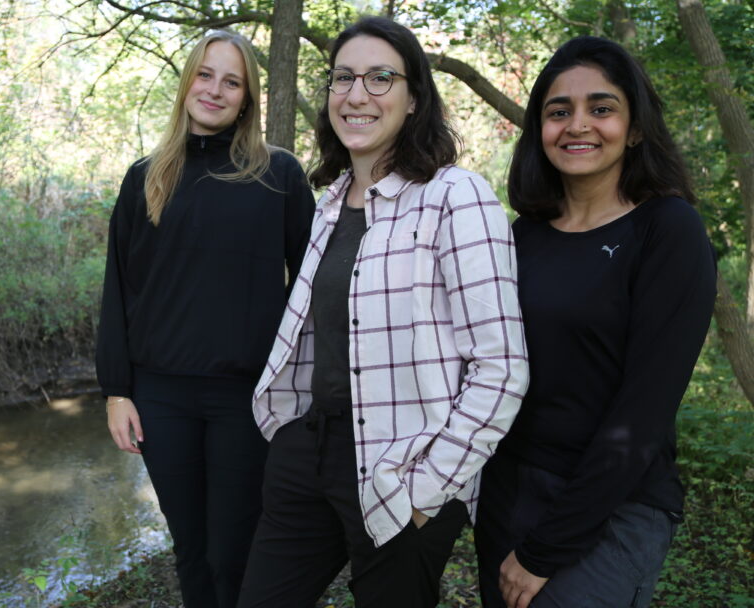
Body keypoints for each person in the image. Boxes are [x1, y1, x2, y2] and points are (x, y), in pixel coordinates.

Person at [237, 17, 528, 608]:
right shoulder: (327, 204)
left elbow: (501, 368)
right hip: (308, 451)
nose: (357, 94)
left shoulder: (456, 195)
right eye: (343, 78)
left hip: (404, 466)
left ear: (413, 96)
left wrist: (430, 489)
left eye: (380, 78)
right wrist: (288, 435)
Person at [474, 36, 716, 608]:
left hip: (610, 509)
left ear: (634, 128)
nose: (577, 125)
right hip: (508, 498)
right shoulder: (521, 237)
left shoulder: (667, 230)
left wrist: (545, 551)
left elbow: (644, 412)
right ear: (540, 130)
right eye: (560, 112)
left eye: (601, 109)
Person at [95, 30, 315, 608]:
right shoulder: (146, 175)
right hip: (160, 398)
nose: (215, 90)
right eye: (205, 74)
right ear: (187, 80)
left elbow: (315, 287)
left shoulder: (278, 176)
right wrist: (116, 390)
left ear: (247, 98)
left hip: (244, 400)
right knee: (190, 549)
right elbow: (119, 286)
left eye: (232, 81)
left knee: (232, 552)